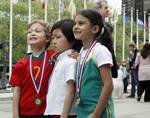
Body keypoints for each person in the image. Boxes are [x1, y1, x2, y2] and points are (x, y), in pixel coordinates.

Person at [73, 9, 115, 118]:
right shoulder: (81, 52)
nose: (76, 26)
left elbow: (108, 85)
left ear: (95, 29)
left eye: (81, 23)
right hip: (82, 110)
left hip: (99, 112)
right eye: (75, 23)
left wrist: (96, 113)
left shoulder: (100, 51)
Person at [9, 20, 55, 118]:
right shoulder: (20, 64)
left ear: (47, 38)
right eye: (29, 32)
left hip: (47, 112)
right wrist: (15, 115)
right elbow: (17, 91)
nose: (32, 33)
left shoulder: (54, 56)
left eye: (37, 31)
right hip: (26, 113)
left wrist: (74, 53)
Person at [44, 19, 82, 118]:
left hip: (63, 113)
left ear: (72, 39)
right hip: (54, 111)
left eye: (58, 37)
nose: (54, 41)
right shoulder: (59, 60)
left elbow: (71, 91)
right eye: (53, 38)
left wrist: (64, 115)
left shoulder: (70, 61)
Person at [94, 0, 118, 78]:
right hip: (96, 61)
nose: (108, 10)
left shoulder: (107, 26)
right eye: (105, 8)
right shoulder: (92, 24)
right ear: (98, 9)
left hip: (106, 61)